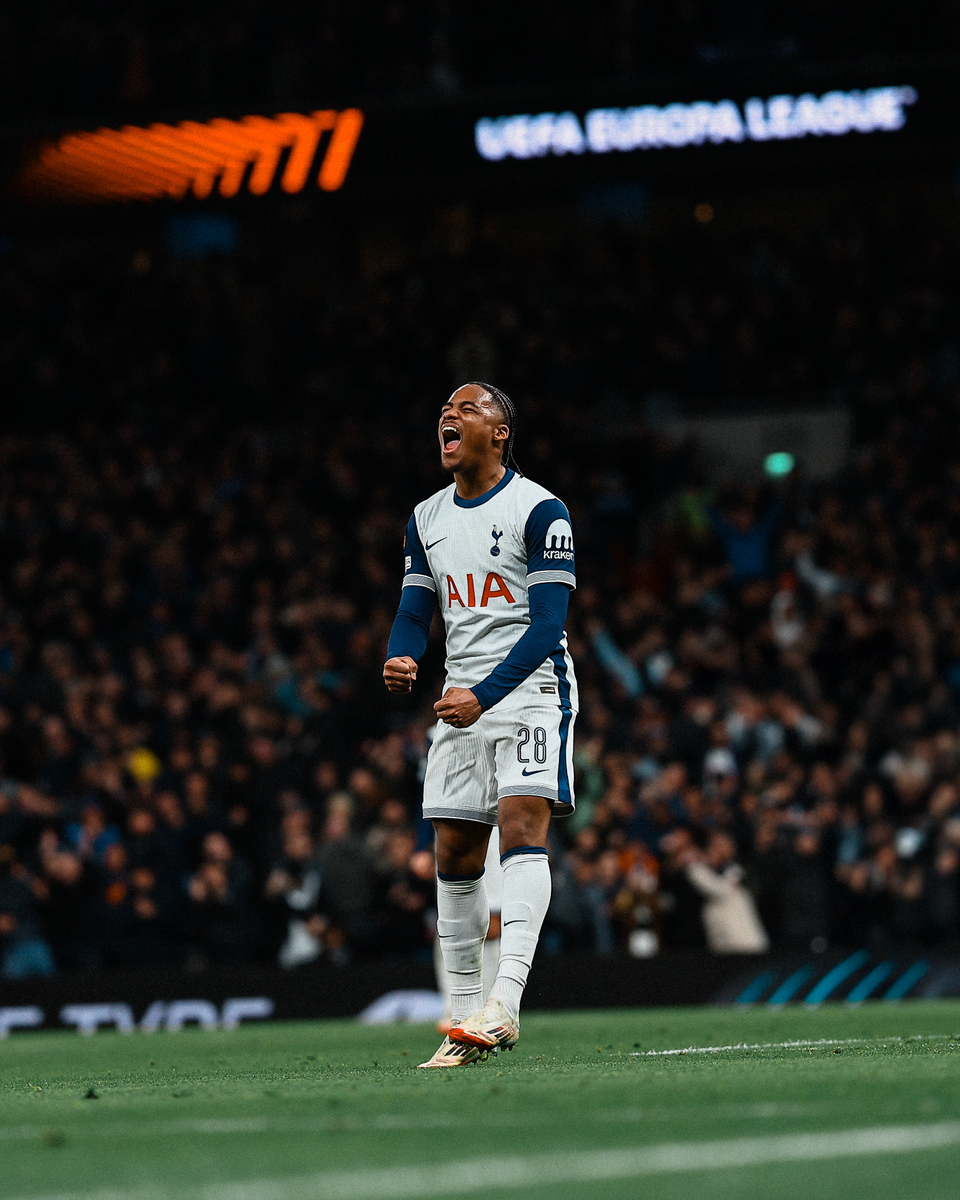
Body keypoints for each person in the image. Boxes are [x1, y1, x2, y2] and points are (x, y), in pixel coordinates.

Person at [384, 382, 578, 1068]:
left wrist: (485, 695)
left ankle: (505, 1004)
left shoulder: (541, 510)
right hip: (460, 698)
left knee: (523, 826)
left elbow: (549, 624)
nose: (449, 415)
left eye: (468, 409)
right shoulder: (426, 517)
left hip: (528, 690)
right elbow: (415, 607)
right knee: (456, 857)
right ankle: (464, 1018)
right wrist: (401, 654)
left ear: (500, 433)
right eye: (444, 409)